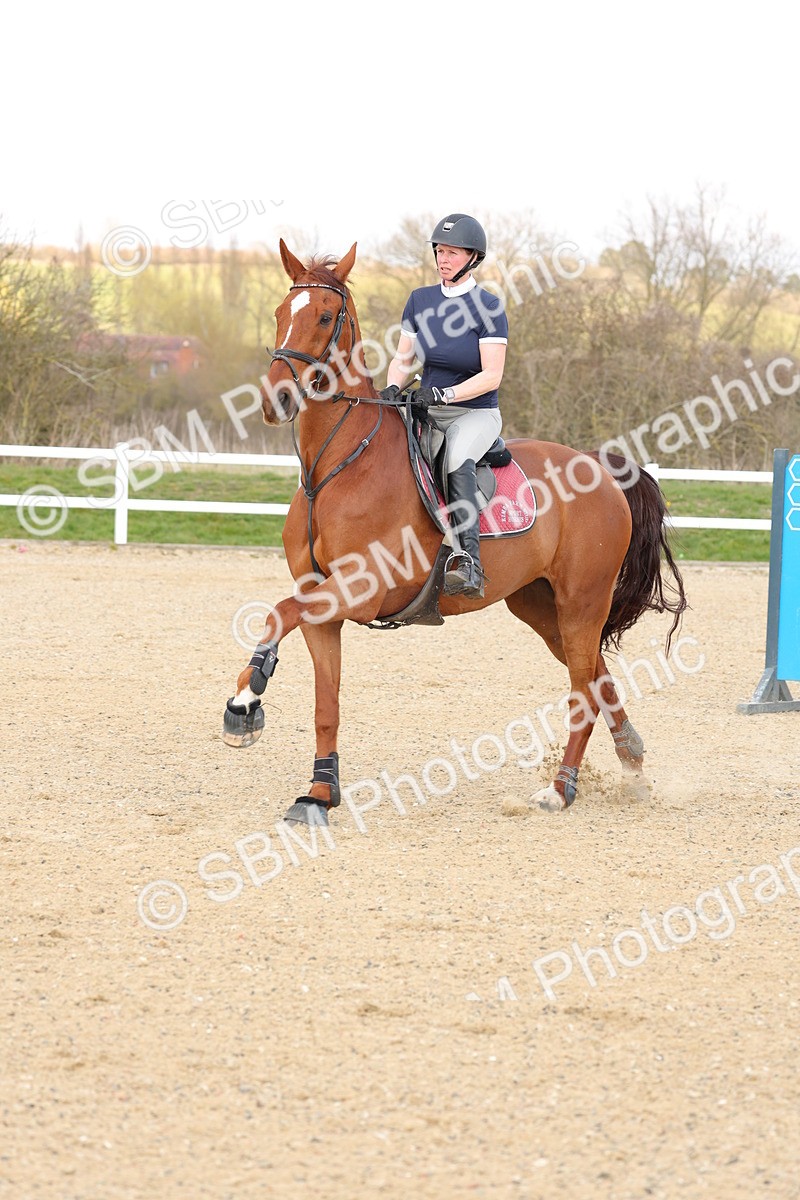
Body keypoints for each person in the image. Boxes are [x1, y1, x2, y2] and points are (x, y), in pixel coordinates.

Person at [382, 213, 508, 599]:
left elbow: (492, 376)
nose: (443, 258)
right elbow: (404, 359)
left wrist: (445, 395)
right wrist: (391, 387)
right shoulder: (420, 300)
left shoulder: (488, 306)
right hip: (426, 407)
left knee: (454, 457)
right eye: (439, 251)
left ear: (472, 257)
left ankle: (468, 561)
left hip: (475, 413)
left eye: (452, 252)